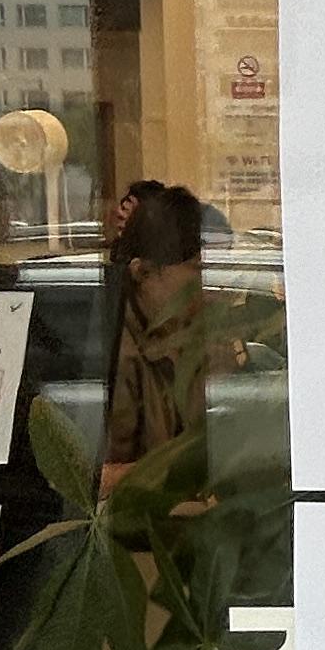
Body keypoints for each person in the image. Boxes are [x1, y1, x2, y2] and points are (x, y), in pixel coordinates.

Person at [101, 178, 209, 487]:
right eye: (196, 268)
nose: (206, 283)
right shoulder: (117, 351)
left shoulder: (191, 335)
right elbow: (91, 479)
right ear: (144, 271)